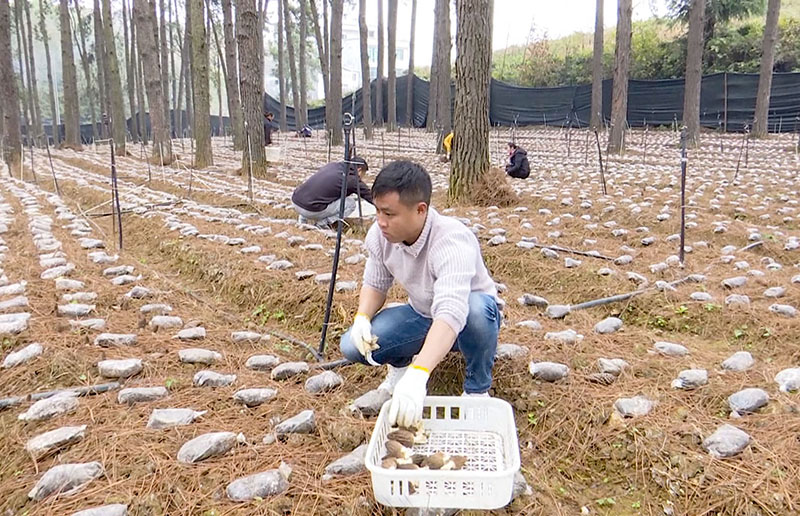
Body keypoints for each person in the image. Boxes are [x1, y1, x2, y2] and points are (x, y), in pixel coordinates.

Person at [340, 161, 501, 427]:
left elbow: (451, 311)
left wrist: (421, 372)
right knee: (351, 345)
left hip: (469, 320)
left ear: (420, 210)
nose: (381, 222)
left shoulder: (451, 241)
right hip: (424, 313)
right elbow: (376, 282)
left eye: (389, 214)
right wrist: (362, 317)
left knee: (475, 310)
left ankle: (476, 389)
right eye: (378, 211)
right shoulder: (380, 236)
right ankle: (400, 370)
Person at [291, 156, 373, 227]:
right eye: (363, 174)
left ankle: (302, 221)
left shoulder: (332, 166)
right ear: (359, 170)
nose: (363, 178)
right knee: (351, 204)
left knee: (316, 192)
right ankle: (322, 224)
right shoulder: (352, 179)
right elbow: (369, 196)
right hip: (311, 210)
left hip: (296, 202)